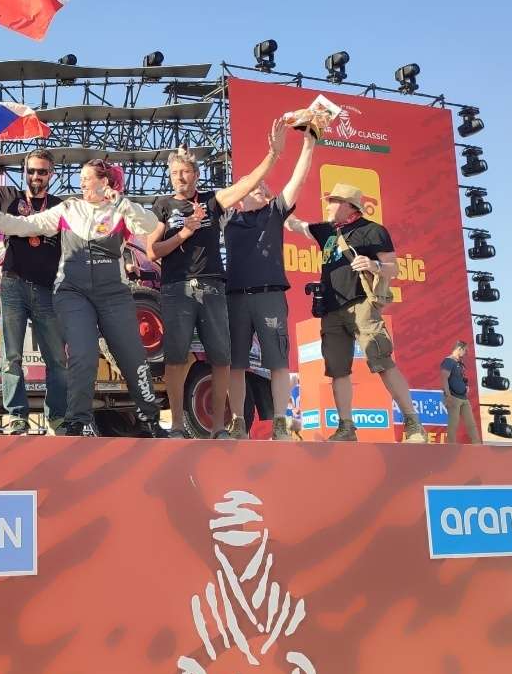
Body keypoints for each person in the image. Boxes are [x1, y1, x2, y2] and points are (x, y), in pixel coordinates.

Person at [0, 158, 164, 438]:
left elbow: (150, 224)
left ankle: (149, 419)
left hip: (113, 294)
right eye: (80, 179)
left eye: (86, 178)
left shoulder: (119, 210)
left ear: (104, 182)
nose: (81, 183)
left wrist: (122, 202)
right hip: (73, 293)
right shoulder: (69, 208)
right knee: (83, 355)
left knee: (132, 356)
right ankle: (77, 420)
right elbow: (28, 224)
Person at [148, 120, 287, 439]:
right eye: (174, 173)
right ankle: (178, 425)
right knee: (176, 357)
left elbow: (248, 183)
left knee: (222, 357)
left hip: (212, 286)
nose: (179, 177)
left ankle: (219, 427)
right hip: (176, 287)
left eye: (185, 172)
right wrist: (184, 233)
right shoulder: (163, 206)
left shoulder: (212, 201)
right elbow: (152, 251)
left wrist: (273, 155)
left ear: (195, 175)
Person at [286, 184, 426, 443]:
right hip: (331, 309)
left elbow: (393, 268)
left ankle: (413, 424)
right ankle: (346, 427)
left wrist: (374, 264)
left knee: (382, 360)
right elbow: (293, 224)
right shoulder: (326, 231)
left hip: (362, 304)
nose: (327, 205)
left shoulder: (373, 230)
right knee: (337, 370)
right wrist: (273, 200)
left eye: (332, 201)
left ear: (349, 205)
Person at [223, 126, 318, 441]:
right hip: (235, 297)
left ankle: (280, 421)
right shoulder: (228, 219)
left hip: (269, 296)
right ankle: (238, 421)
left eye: (257, 185)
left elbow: (297, 181)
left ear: (265, 193)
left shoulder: (274, 212)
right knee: (236, 364)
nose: (251, 188)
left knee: (277, 361)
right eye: (246, 185)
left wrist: (308, 144)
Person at [0, 148, 68, 435]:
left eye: (42, 171)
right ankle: (17, 416)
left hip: (48, 289)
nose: (36, 176)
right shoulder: (9, 197)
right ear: (24, 172)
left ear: (51, 174)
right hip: (13, 284)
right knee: (11, 356)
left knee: (57, 358)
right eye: (31, 171)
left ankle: (57, 418)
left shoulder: (60, 206)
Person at [440, 341, 481, 444]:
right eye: (465, 350)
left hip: (464, 398)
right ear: (459, 349)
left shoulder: (460, 363)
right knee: (453, 424)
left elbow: (461, 377)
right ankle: (451, 447)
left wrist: (466, 386)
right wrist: (448, 395)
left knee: (471, 424)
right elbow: (444, 378)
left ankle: (477, 445)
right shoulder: (449, 361)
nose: (466, 353)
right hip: (453, 397)